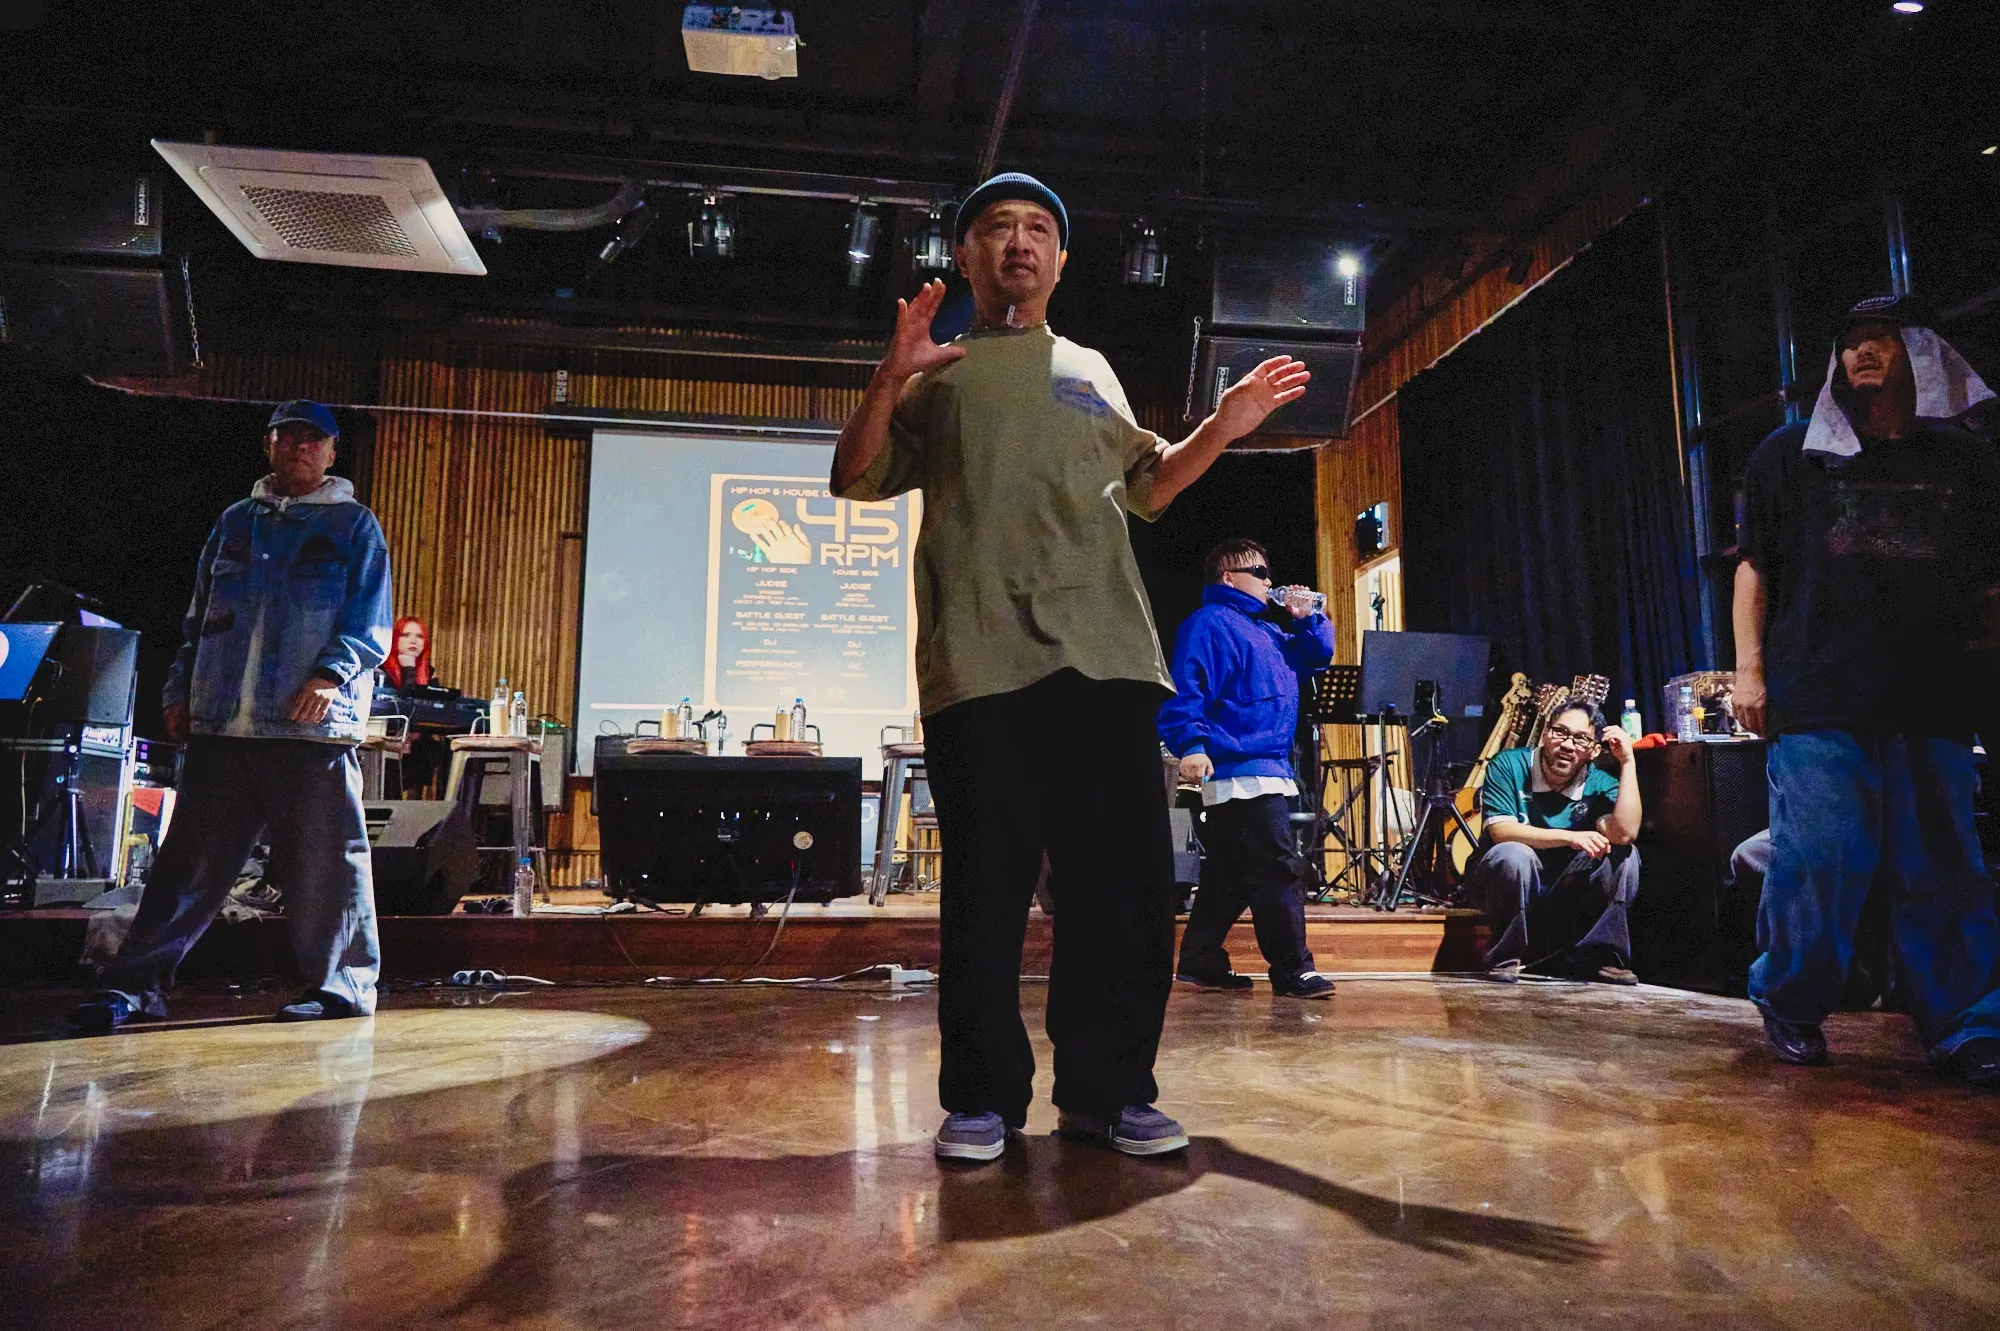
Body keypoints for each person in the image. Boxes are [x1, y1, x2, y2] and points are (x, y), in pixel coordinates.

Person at [829, 173, 1309, 1163]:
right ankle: (981, 1099)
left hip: (1106, 662)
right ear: (966, 256)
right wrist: (888, 373)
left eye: (1038, 228)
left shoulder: (1090, 367)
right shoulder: (938, 375)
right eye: (997, 227)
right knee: (986, 895)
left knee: (1122, 898)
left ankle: (1109, 1092)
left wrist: (1222, 427)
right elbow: (853, 475)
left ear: (1059, 259)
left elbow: (1149, 484)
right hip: (980, 665)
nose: (1019, 241)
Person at [1733, 294, 2000, 1080]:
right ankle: (1791, 997)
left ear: (1923, 353)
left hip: (1932, 695)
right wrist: (1750, 670)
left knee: (1943, 866)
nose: (1862, 353)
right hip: (1820, 692)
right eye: (1850, 343)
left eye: (1881, 339)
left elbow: (1988, 586)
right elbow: (1755, 569)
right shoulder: (1789, 454)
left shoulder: (1967, 463)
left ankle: (1965, 1022)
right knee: (1821, 853)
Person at [68, 400, 394, 1035]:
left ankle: (344, 987)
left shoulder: (354, 525)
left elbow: (370, 616)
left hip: (309, 728)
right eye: (286, 436)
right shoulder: (235, 522)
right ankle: (132, 987)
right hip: (222, 724)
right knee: (186, 866)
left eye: (313, 438)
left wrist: (330, 674)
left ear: (332, 452)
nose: (298, 446)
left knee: (328, 864)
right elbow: (199, 618)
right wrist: (179, 690)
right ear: (268, 446)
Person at [1158, 539, 1336, 998]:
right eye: (1258, 572)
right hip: (1240, 768)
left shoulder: (1267, 630)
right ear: (1228, 577)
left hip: (1266, 765)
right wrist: (1191, 744)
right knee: (1277, 868)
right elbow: (1184, 688)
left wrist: (1308, 618)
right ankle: (1292, 968)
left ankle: (1200, 960)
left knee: (1230, 873)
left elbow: (1316, 656)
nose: (1268, 580)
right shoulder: (1209, 624)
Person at [1467, 702, 1643, 984]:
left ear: (1594, 751)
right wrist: (1570, 837)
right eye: (1560, 732)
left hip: (1562, 885)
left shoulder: (1599, 782)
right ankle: (1504, 957)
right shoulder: (1509, 764)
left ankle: (1601, 957)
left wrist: (1627, 762)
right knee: (1515, 854)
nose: (1568, 745)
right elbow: (1501, 831)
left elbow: (1624, 833)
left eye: (1581, 739)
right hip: (1503, 881)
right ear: (1545, 733)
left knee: (1624, 854)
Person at [382, 615, 432, 691]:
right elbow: (406, 696)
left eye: (419, 636)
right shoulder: (381, 669)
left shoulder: (429, 671)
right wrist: (409, 669)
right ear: (395, 639)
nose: (413, 641)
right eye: (406, 635)